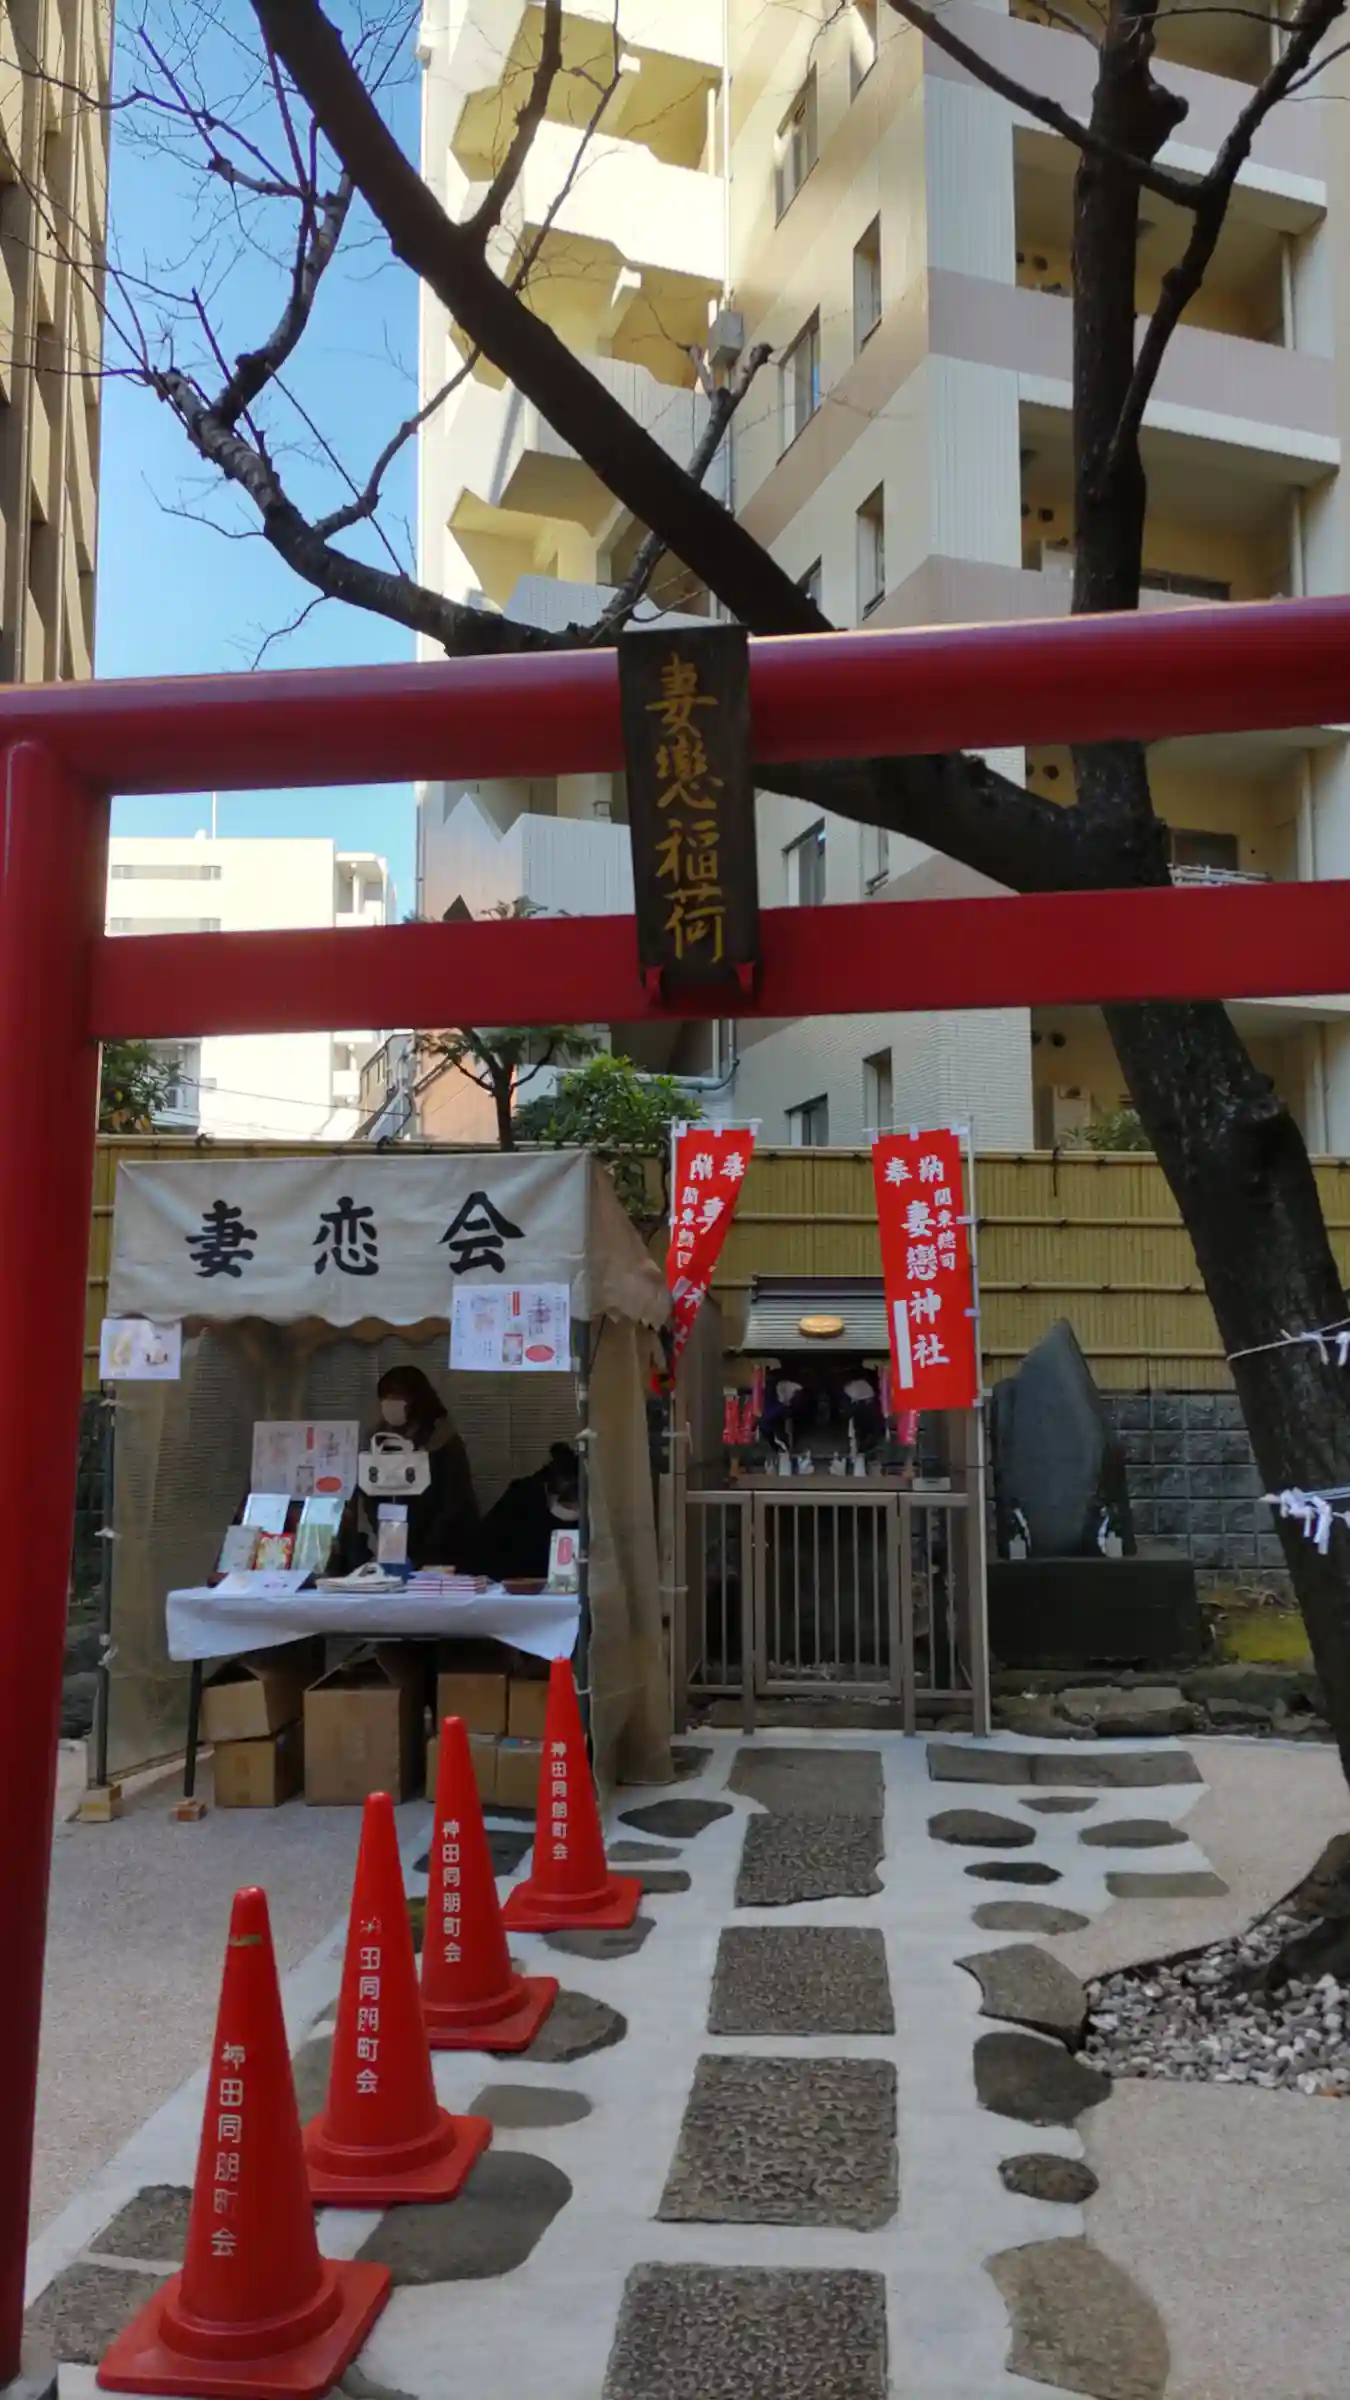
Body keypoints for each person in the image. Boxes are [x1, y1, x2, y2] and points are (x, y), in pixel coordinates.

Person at [346, 1364, 478, 1571]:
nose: (391, 1404)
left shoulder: (441, 1438)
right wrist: (386, 1533)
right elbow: (369, 1493)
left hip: (444, 1547)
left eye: (398, 1397)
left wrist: (427, 1548)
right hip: (393, 1543)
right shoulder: (376, 1439)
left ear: (417, 1399)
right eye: (386, 1397)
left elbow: (455, 1497)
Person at [473, 1441, 579, 1583]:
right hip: (512, 1582)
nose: (574, 1509)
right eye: (569, 1504)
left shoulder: (598, 1511)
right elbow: (485, 1551)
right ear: (549, 1491)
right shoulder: (521, 1498)